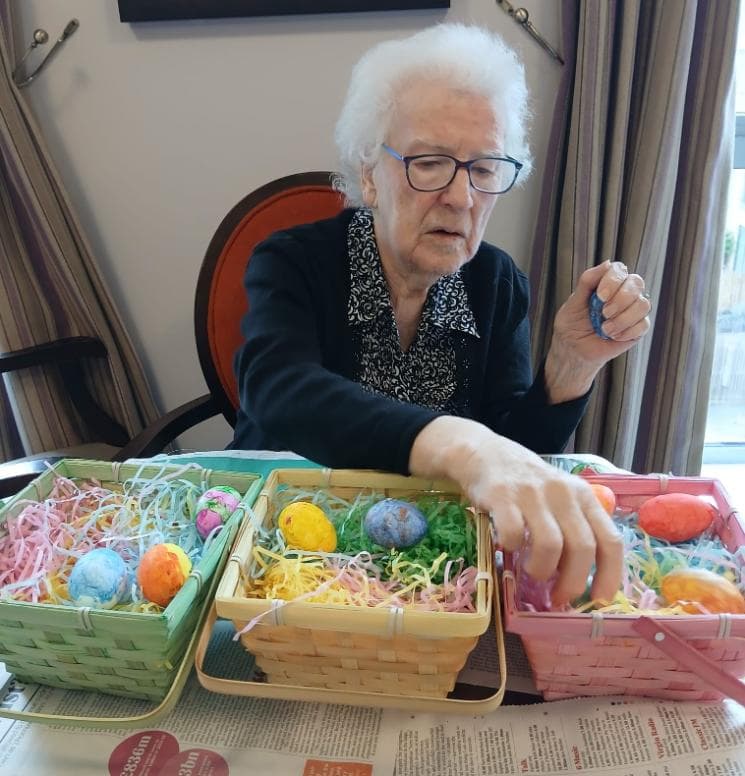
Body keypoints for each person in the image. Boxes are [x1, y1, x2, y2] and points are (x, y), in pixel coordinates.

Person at [229, 23, 651, 607]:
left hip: (430, 575)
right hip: (280, 559)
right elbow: (277, 389)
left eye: (483, 169)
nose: (461, 197)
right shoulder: (293, 260)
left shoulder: (496, 282)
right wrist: (457, 443)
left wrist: (572, 363)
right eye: (430, 163)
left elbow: (512, 448)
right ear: (370, 175)